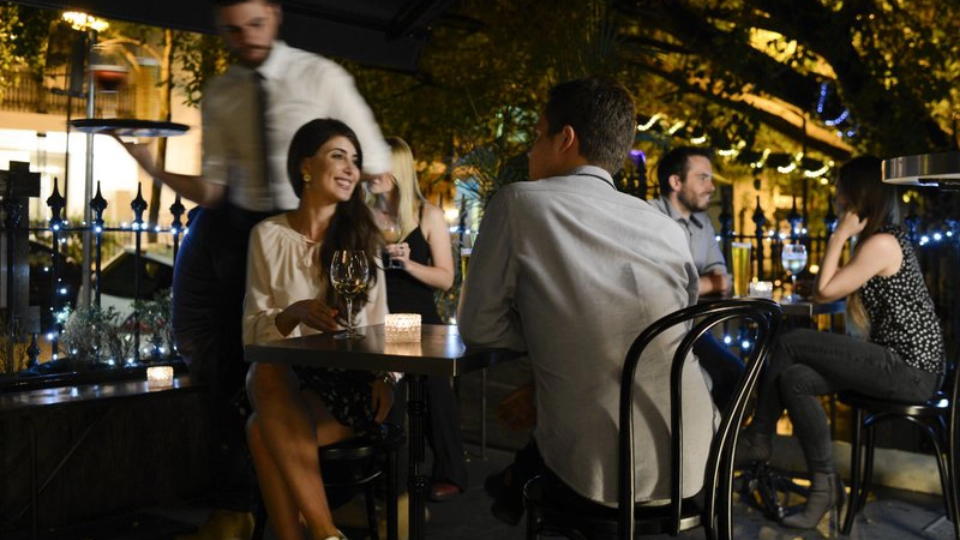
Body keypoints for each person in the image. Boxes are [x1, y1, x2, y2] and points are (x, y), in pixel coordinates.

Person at [114, 0, 391, 532]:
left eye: (256, 24)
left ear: (275, 14)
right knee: (236, 369)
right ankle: (246, 509)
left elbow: (373, 166)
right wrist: (152, 167)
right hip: (245, 232)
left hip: (327, 231)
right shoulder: (223, 92)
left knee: (263, 406)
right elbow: (213, 189)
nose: (247, 38)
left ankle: (296, 522)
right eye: (234, 30)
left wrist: (372, 218)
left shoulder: (322, 78)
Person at [458, 76, 715, 508]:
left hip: (600, 472)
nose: (529, 151)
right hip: (694, 456)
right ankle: (514, 484)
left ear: (565, 139)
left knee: (558, 422)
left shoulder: (519, 203)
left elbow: (477, 327)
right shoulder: (664, 226)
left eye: (537, 136)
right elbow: (678, 321)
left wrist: (551, 332)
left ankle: (515, 486)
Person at [736, 156, 945, 529]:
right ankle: (825, 487)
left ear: (858, 195)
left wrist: (838, 235)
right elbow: (831, 286)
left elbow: (824, 292)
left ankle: (759, 435)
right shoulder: (883, 239)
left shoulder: (882, 242)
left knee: (790, 341)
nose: (836, 197)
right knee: (794, 379)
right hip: (893, 362)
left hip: (908, 370)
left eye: (840, 190)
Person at [244, 118, 390, 540]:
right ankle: (326, 533)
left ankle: (317, 534)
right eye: (338, 156)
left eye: (355, 160)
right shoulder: (267, 236)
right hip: (288, 382)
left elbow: (379, 325)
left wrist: (380, 370)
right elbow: (252, 334)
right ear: (306, 166)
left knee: (260, 429)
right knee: (266, 371)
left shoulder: (362, 237)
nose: (350, 169)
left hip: (355, 381)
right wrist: (295, 313)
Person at [366, 137, 468, 501]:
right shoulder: (364, 216)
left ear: (396, 170)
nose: (368, 173)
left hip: (421, 318)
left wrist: (408, 264)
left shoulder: (428, 215)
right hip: (379, 316)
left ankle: (450, 471)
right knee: (383, 389)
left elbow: (446, 278)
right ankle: (386, 475)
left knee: (435, 387)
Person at [651, 146, 744, 409]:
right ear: (675, 182)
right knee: (715, 381)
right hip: (656, 331)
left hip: (690, 330)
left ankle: (719, 436)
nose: (711, 187)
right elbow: (658, 283)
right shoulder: (650, 217)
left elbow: (722, 279)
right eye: (703, 178)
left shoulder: (703, 224)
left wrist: (690, 284)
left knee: (740, 374)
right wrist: (703, 283)